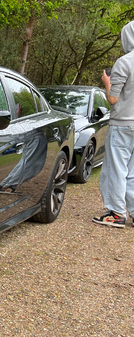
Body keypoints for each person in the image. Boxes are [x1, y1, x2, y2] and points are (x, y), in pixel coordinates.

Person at [92, 21, 134, 228]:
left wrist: (107, 83)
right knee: (133, 171)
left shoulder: (125, 62)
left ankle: (116, 213)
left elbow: (113, 99)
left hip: (124, 124)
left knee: (115, 169)